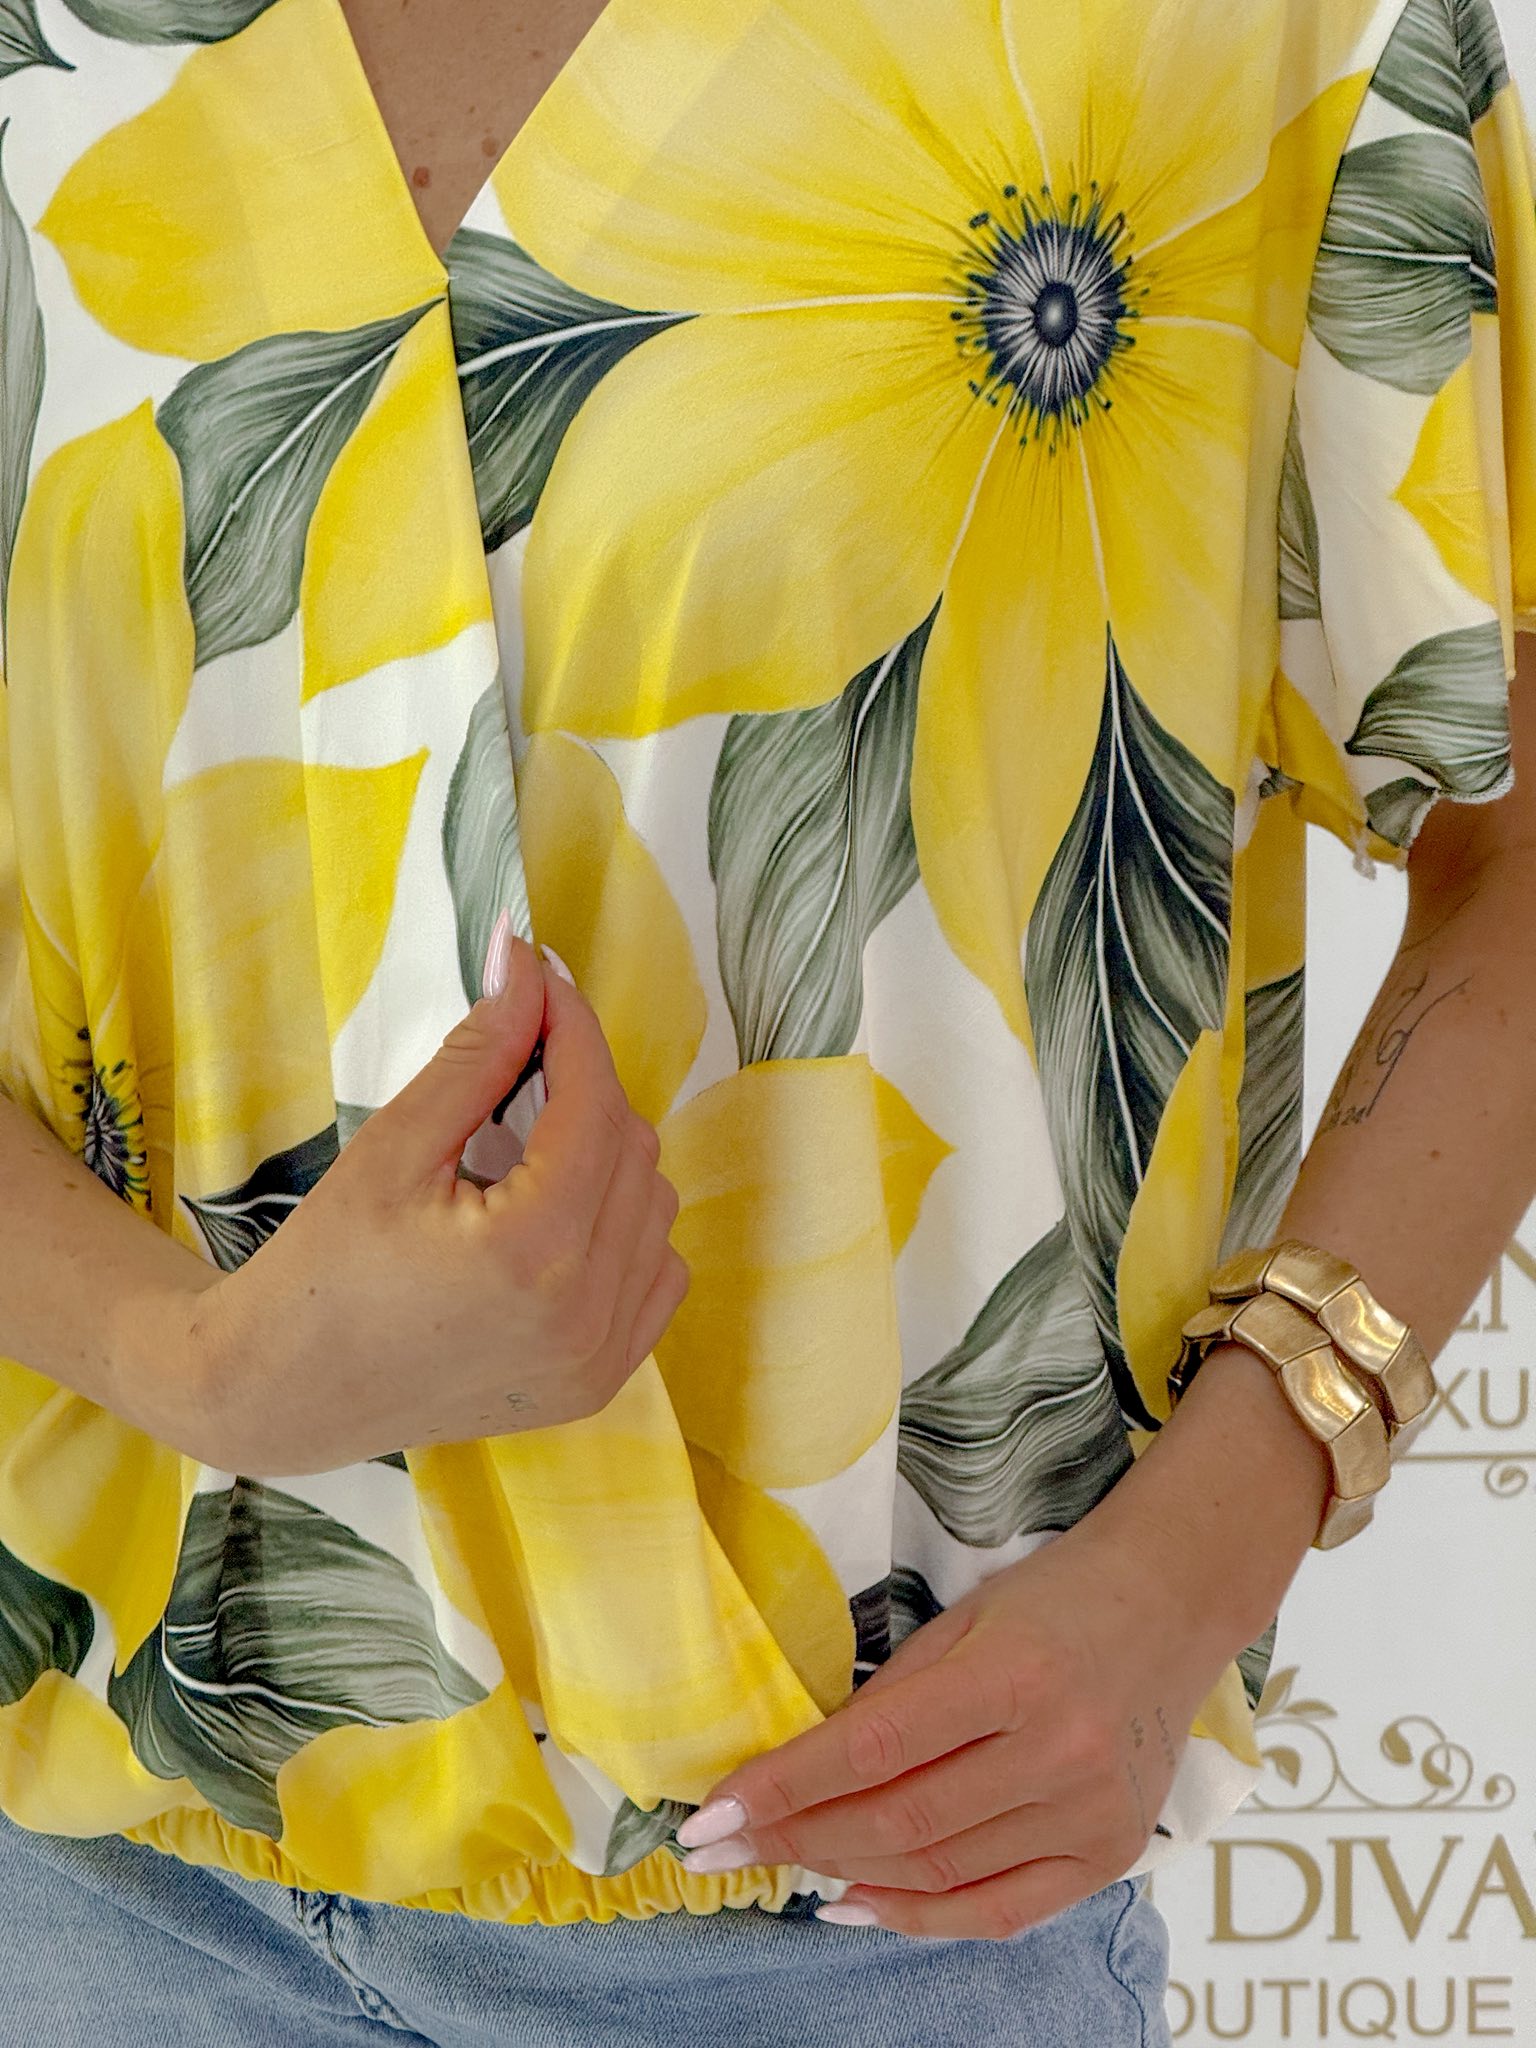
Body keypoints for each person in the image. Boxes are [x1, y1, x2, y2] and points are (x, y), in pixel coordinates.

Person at [0, 0, 1532, 2040]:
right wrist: (191, 1362)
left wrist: (1204, 1554)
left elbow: (1514, 854)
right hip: (89, 1895)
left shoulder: (1250, 28)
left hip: (871, 1910)